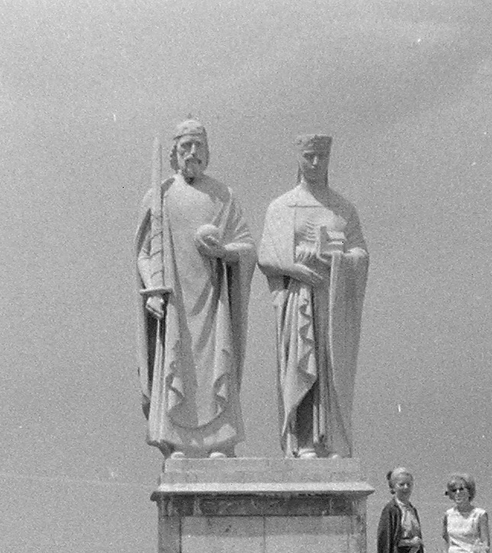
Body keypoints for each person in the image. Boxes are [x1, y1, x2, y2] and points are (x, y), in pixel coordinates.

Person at [135, 118, 255, 459]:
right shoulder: (159, 195)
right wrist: (153, 289)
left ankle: (219, 441)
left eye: (198, 146)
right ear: (174, 152)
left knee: (217, 363)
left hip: (213, 300)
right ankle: (177, 442)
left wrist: (224, 252)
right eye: (185, 146)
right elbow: (144, 252)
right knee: (176, 364)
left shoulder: (222, 196)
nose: (192, 153)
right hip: (176, 300)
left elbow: (247, 247)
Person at [257, 134, 369, 458]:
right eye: (309, 156)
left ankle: (331, 441)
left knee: (331, 369)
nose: (316, 163)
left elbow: (361, 253)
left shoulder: (343, 208)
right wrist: (296, 267)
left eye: (322, 156)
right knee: (302, 364)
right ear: (299, 158)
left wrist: (336, 258)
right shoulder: (281, 206)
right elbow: (266, 257)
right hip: (299, 298)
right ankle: (305, 440)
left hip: (332, 301)